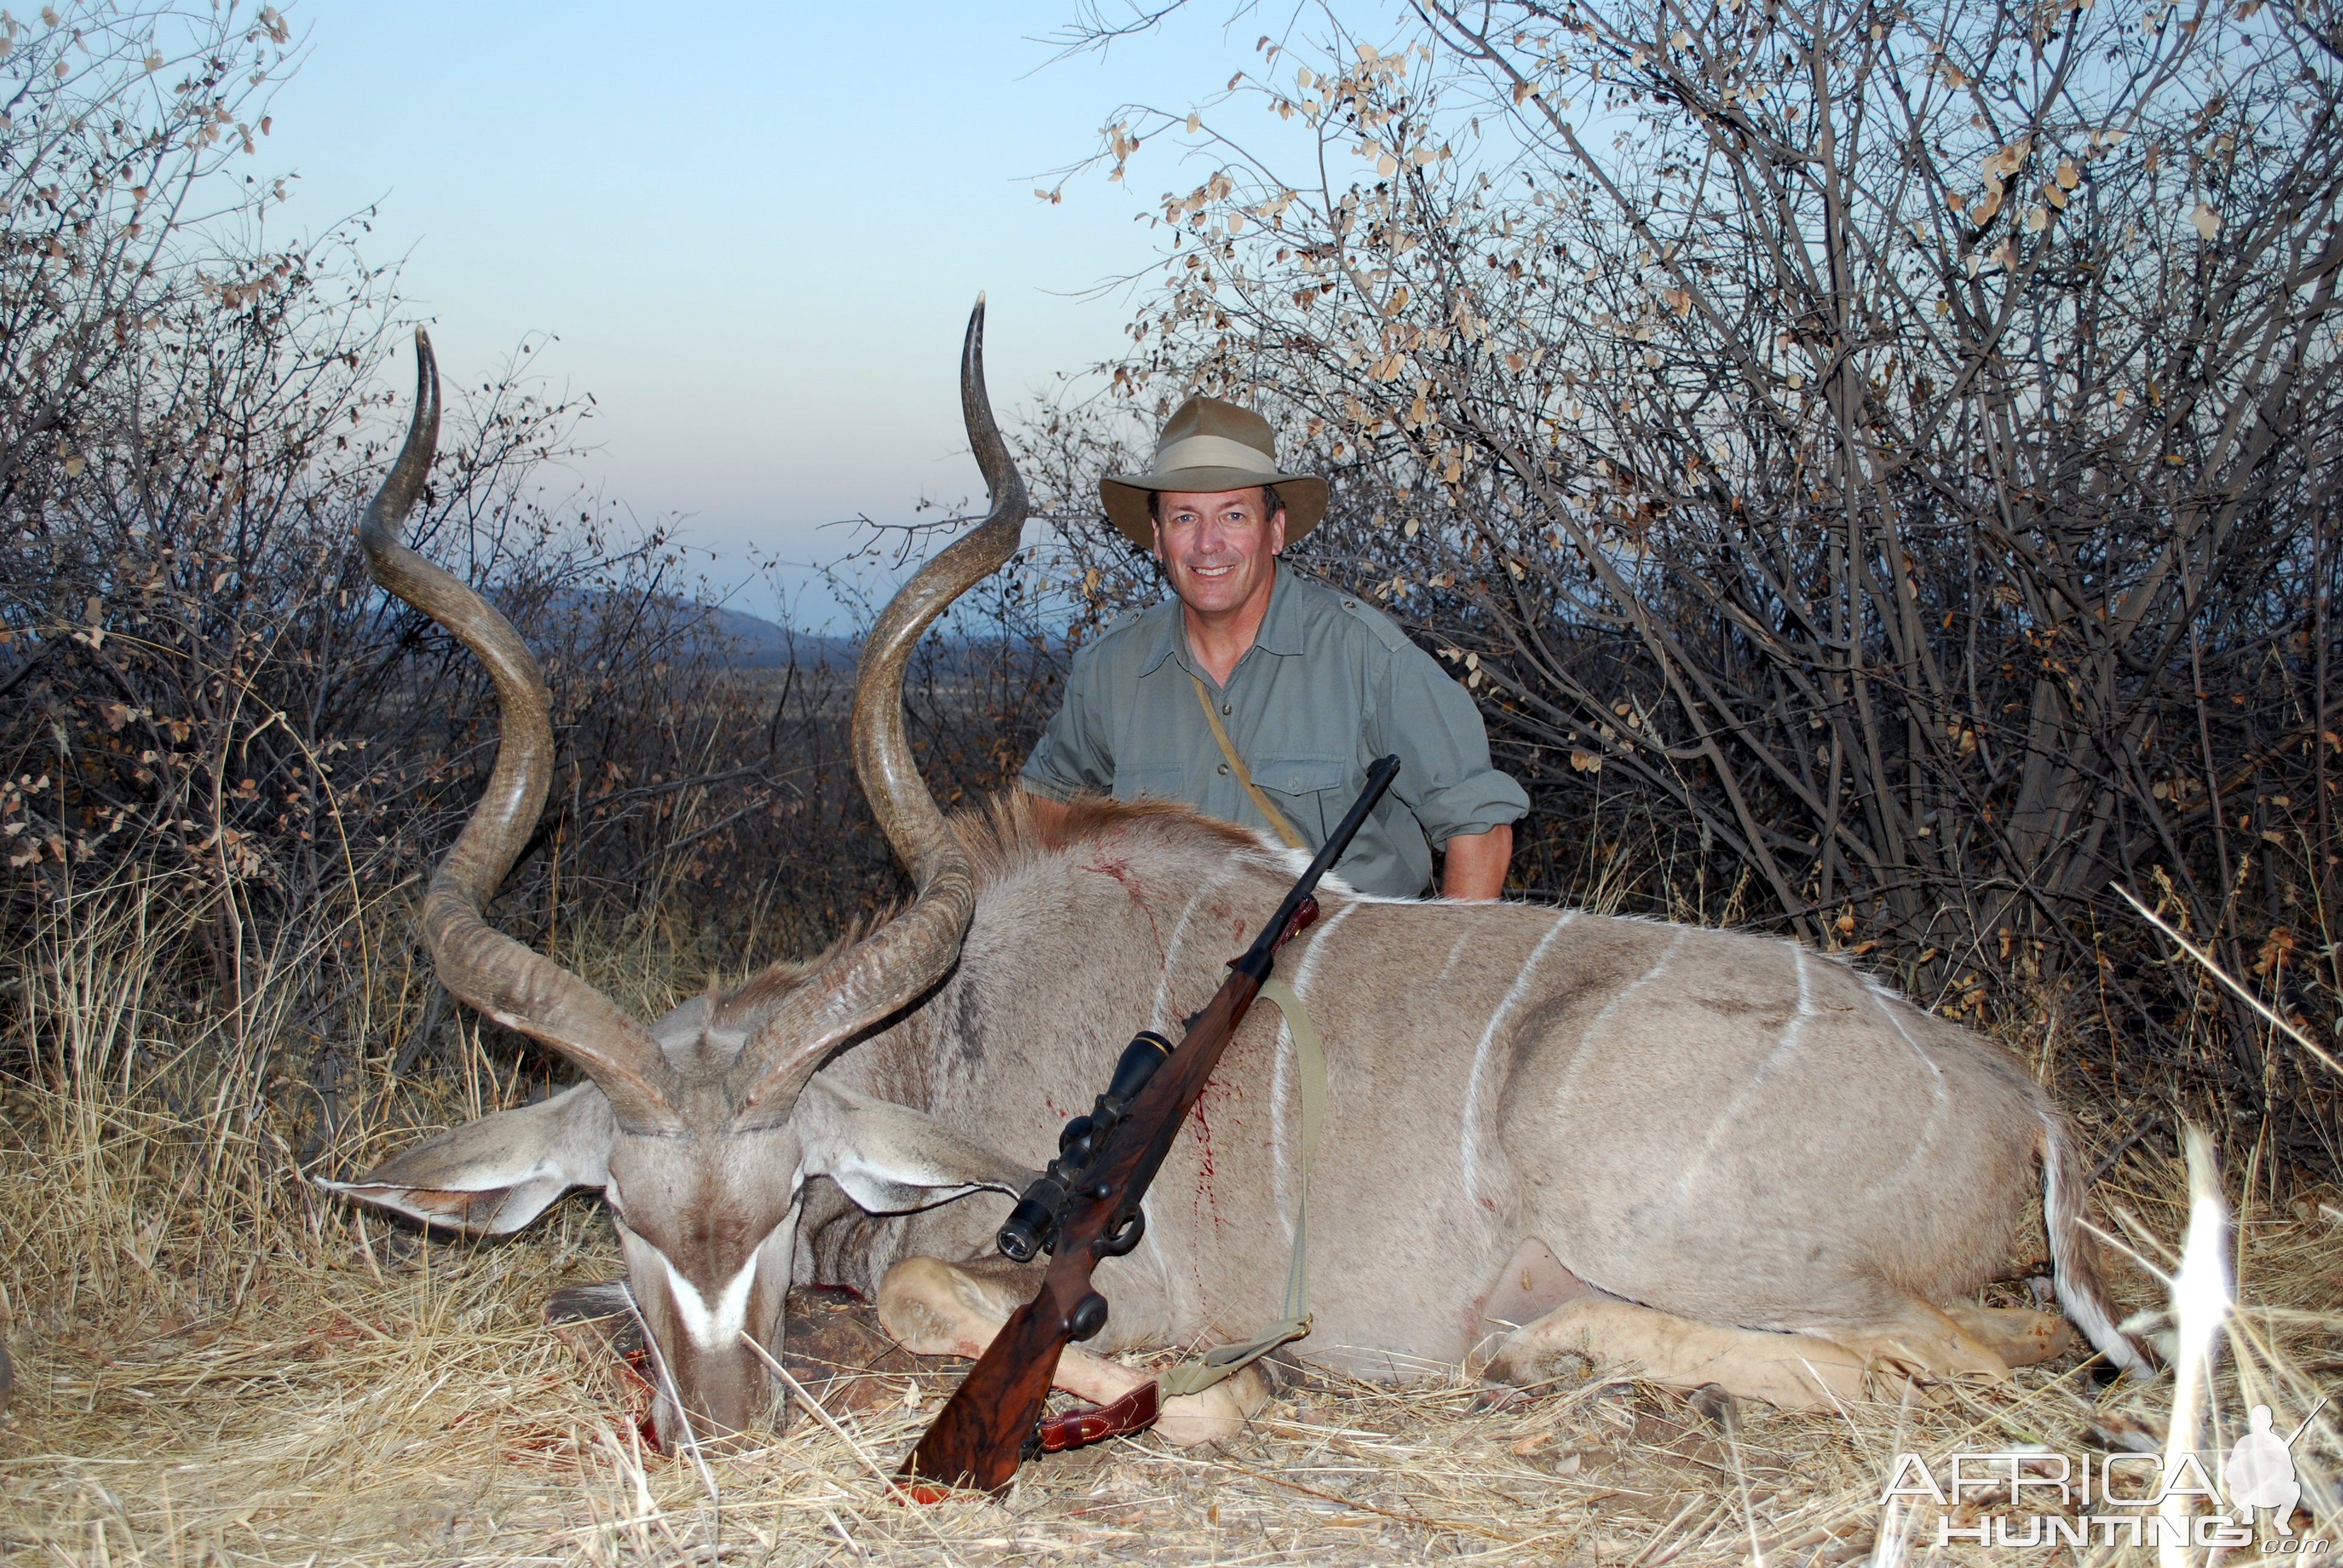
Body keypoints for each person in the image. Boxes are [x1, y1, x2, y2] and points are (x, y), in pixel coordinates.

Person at [1020, 394, 1526, 899]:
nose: (1208, 544)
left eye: (1234, 516)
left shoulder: (1366, 657)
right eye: (1184, 518)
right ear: (1158, 538)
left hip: (1343, 967)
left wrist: (1431, 977)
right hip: (1170, 970)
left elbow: (1480, 830)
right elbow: (1046, 816)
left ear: (1275, 530)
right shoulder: (1110, 669)